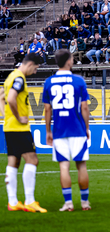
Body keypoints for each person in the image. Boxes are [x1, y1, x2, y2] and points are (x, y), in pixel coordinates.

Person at [42, 49, 91, 212]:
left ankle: (68, 203)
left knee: (64, 166)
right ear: (69, 61)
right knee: (81, 166)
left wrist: (48, 131)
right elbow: (84, 106)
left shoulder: (49, 82)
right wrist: (87, 127)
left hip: (59, 130)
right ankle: (85, 203)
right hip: (77, 128)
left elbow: (47, 109)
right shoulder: (78, 81)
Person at [4, 53, 47, 212]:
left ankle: (13, 202)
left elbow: (2, 97)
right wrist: (18, 117)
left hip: (9, 127)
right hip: (19, 128)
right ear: (30, 64)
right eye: (35, 68)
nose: (35, 72)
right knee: (32, 159)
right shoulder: (19, 78)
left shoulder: (11, 76)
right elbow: (11, 99)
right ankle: (29, 200)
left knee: (13, 162)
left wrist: (6, 114)